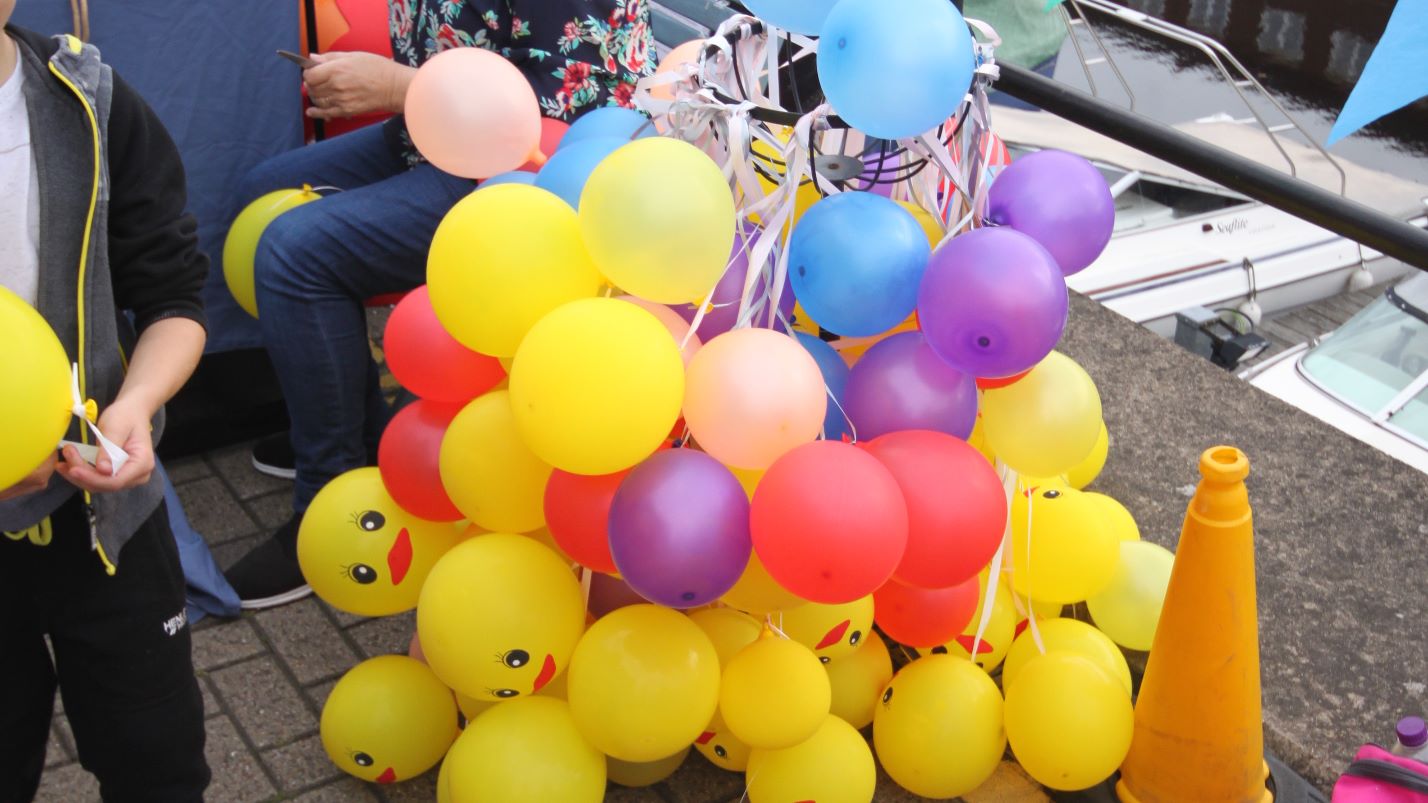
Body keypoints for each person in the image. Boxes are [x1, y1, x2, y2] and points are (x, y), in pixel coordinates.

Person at [223, 0, 657, 610]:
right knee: (259, 197)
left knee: (295, 254)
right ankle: (359, 434)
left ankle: (331, 501)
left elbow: (554, 110)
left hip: (523, 167)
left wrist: (398, 86)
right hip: (435, 134)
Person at [0, 6, 211, 801]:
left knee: (156, 761)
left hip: (103, 517)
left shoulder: (91, 101)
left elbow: (174, 298)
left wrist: (138, 400)